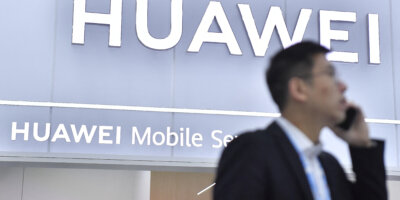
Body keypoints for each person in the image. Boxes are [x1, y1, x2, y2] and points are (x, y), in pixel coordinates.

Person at [213, 41, 387, 200]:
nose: (343, 86)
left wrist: (362, 146)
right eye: (330, 75)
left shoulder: (330, 166)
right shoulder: (253, 150)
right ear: (299, 89)